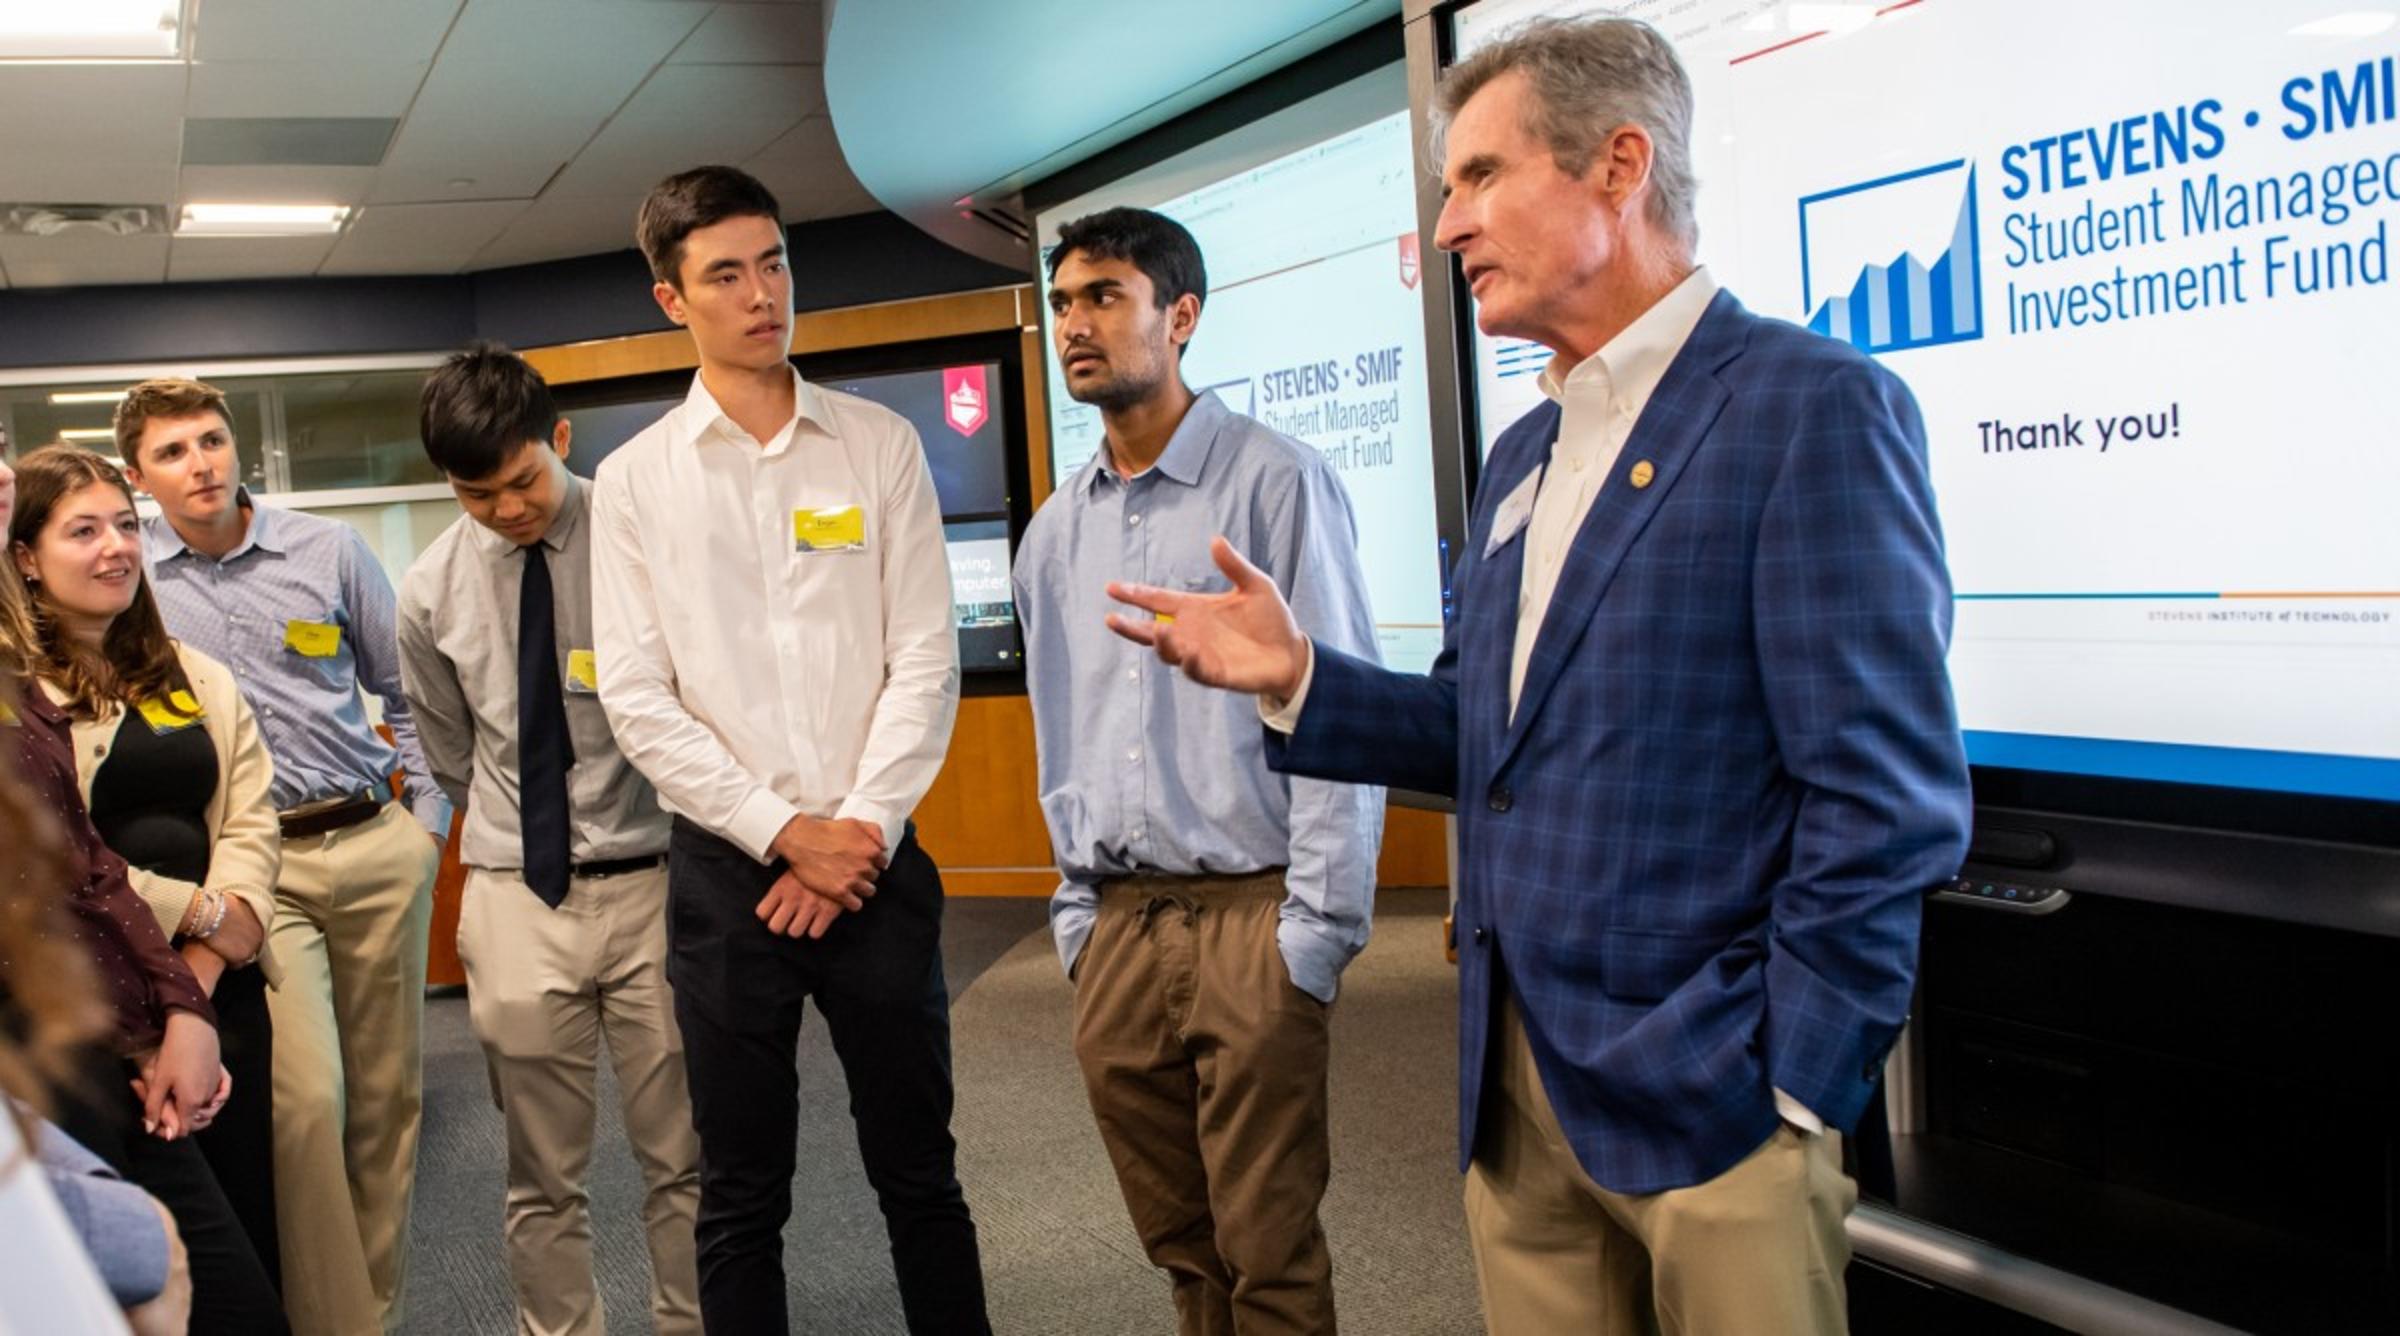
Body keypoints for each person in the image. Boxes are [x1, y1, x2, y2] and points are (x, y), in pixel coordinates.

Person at [1105, 17, 1974, 1334]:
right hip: (1515, 1089)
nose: (1448, 226)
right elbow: (1482, 729)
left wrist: (1795, 1086)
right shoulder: (1523, 454)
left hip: (1716, 1105)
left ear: (1618, 167)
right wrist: (1299, 678)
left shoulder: (1809, 408)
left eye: (1480, 178)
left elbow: (1885, 794)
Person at [591, 164, 990, 1334]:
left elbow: (923, 656)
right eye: (726, 274)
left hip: (874, 863)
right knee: (741, 1195)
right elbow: (639, 699)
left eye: (775, 263)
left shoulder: (879, 446)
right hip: (729, 882)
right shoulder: (634, 483)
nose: (763, 293)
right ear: (674, 299)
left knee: (922, 1177)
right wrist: (784, 835)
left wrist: (854, 832)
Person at [1015, 206, 1382, 1335]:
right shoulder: (1052, 534)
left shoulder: (1276, 483)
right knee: (1181, 1245)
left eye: (1105, 296)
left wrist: (1315, 931)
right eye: (1063, 302)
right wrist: (1079, 916)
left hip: (1251, 915)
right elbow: (1058, 733)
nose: (1075, 323)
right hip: (1119, 924)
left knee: (1267, 1246)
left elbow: (1346, 715)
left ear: (1181, 315)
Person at [119, 376, 448, 1334]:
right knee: (306, 1108)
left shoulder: (327, 549)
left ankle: (372, 1315)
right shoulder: (131, 575)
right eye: (173, 452)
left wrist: (426, 828)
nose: (201, 464)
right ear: (140, 475)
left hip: (373, 842)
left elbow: (404, 693)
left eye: (212, 441)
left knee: (387, 1107)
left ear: (237, 449)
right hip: (256, 872)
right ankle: (322, 1319)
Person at [397, 343, 701, 1335]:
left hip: (660, 881)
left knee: (687, 1155)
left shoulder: (644, 535)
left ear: (560, 439)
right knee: (540, 1171)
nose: (506, 509)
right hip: (516, 896)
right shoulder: (432, 587)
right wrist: (516, 836)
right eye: (476, 493)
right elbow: (450, 754)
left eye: (523, 480)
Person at [10, 443, 285, 1291]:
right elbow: (63, 858)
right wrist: (196, 912)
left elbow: (250, 814)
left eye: (126, 526)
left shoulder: (192, 673)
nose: (115, 548)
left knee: (246, 1211)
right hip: (97, 997)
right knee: (152, 1255)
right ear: (24, 558)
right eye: (82, 531)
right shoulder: (24, 698)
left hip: (213, 985)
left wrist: (204, 964)